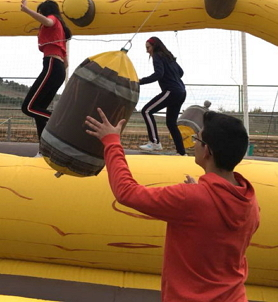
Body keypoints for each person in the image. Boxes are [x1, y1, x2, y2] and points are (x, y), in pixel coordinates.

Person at [85, 107, 260, 302]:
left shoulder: (191, 199)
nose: (194, 144)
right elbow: (216, 234)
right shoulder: (249, 201)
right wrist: (202, 195)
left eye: (197, 139)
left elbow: (126, 192)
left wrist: (111, 142)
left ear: (208, 150)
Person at [20, 0, 72, 139]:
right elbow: (66, 63)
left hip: (51, 64)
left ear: (45, 12)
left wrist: (26, 10)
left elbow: (48, 21)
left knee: (28, 107)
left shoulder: (52, 19)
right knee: (38, 111)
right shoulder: (61, 30)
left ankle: (64, 122)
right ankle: (44, 148)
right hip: (59, 69)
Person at [138, 36, 186, 155]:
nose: (147, 50)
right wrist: (172, 77)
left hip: (172, 91)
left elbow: (158, 74)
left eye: (148, 47)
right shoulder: (169, 57)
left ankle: (154, 143)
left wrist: (139, 81)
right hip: (181, 92)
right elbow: (181, 72)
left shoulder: (157, 56)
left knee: (146, 111)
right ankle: (181, 152)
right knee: (171, 123)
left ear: (154, 46)